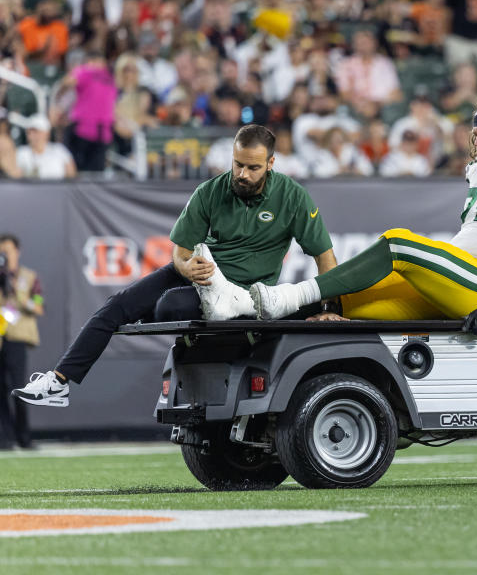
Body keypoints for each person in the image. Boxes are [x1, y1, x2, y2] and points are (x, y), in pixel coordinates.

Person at [13, 125, 339, 408]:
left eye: (252, 168)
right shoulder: (209, 192)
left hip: (242, 293)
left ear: (270, 163)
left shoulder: (294, 197)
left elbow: (324, 256)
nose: (242, 174)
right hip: (199, 277)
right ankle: (59, 381)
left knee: (170, 307)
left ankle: (154, 309)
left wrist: (327, 307)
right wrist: (187, 268)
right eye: (237, 164)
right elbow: (179, 254)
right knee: (117, 306)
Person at [249, 94, 477, 338]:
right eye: (475, 134)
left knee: (398, 243)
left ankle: (288, 294)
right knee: (342, 299)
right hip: (454, 284)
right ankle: (244, 312)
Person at [0, 235, 43, 448]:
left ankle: (24, 437)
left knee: (18, 388)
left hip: (17, 338)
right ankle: (4, 439)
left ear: (18, 251)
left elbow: (38, 306)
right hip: (0, 336)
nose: (5, 255)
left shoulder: (29, 277)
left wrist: (18, 290)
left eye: (8, 251)